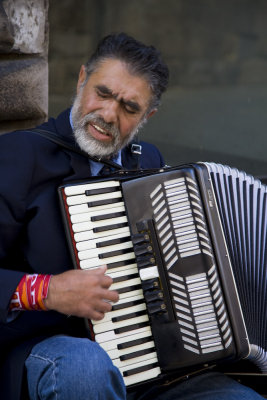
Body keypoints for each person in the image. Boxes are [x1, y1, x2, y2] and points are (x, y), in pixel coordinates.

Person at [0, 32, 264, 400]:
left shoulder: (151, 165)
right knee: (87, 366)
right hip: (50, 350)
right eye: (103, 93)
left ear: (147, 115)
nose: (108, 114)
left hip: (154, 367)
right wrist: (49, 290)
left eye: (129, 107)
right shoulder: (17, 156)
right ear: (81, 80)